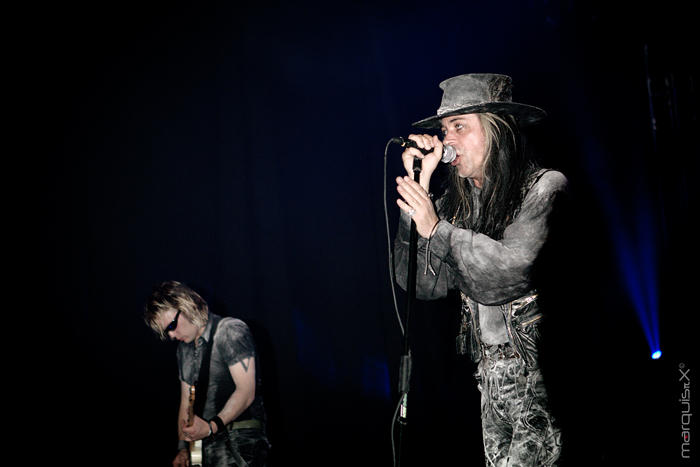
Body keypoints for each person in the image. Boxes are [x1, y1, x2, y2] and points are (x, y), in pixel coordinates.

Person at [393, 73, 565, 466]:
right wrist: (420, 189)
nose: (446, 140)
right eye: (443, 129)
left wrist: (437, 228)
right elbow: (419, 282)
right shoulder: (459, 207)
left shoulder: (544, 189)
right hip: (490, 379)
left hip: (541, 379)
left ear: (497, 130)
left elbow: (509, 272)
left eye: (459, 126)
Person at [144, 280, 270, 467]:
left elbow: (246, 391)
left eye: (171, 326)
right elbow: (187, 401)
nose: (170, 335)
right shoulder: (183, 350)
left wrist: (212, 427)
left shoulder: (230, 330)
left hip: (240, 444)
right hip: (205, 448)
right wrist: (183, 447)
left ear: (186, 306)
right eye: (166, 332)